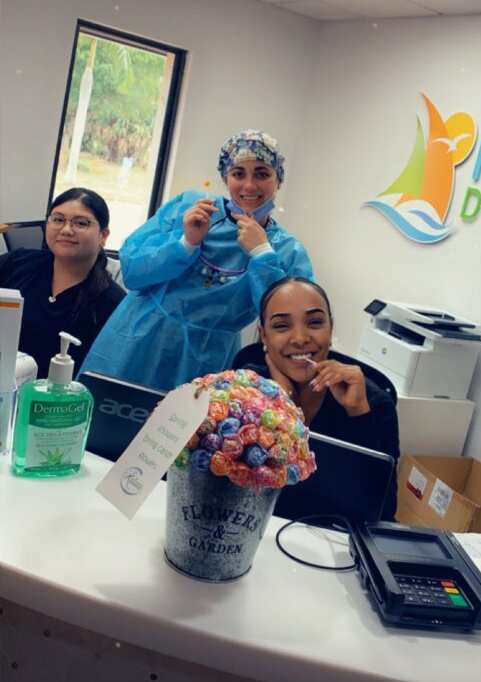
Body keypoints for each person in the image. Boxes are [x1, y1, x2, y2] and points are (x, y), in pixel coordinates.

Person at [80, 130, 314, 391]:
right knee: (107, 416)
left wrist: (262, 253)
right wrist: (186, 243)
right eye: (238, 173)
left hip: (208, 362)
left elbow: (295, 327)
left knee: (187, 429)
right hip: (138, 341)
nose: (249, 185)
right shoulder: (191, 208)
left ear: (279, 180)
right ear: (226, 178)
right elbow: (133, 271)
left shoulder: (286, 250)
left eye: (262, 173)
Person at [241, 276, 400, 519]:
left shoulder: (372, 402)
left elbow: (383, 511)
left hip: (334, 541)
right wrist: (277, 406)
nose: (300, 338)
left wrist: (358, 413)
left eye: (314, 322)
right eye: (282, 326)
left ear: (331, 328)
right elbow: (229, 484)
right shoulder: (245, 389)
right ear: (263, 335)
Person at [0, 188, 125, 378]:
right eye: (58, 220)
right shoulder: (17, 263)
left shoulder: (112, 303)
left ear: (103, 235)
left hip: (56, 403)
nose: (66, 230)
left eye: (81, 223)